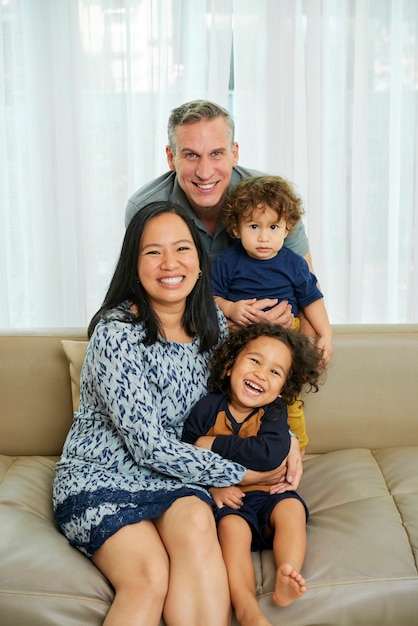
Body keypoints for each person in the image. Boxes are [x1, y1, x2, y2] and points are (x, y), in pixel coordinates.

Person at [52, 201, 295, 626]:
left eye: (182, 249)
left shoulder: (213, 326)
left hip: (176, 479)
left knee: (199, 524)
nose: (170, 263)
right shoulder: (116, 333)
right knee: (149, 576)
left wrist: (287, 440)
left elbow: (248, 393)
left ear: (200, 262)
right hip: (102, 476)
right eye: (153, 252)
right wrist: (242, 474)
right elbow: (148, 447)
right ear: (135, 263)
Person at [125, 98, 312, 332]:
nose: (205, 172)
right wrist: (222, 327)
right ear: (171, 157)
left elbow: (308, 300)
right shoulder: (145, 208)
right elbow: (143, 301)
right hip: (190, 336)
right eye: (191, 155)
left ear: (234, 154)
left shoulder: (271, 202)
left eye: (216, 153)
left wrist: (290, 337)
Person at [182, 323, 324, 626]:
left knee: (292, 509)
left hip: (271, 495)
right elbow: (186, 459)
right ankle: (247, 607)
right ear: (229, 366)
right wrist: (214, 488)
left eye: (275, 372)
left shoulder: (274, 412)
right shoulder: (206, 409)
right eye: (255, 361)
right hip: (232, 502)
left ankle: (288, 572)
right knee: (232, 533)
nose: (261, 373)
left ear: (283, 387)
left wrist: (213, 444)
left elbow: (269, 454)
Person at [211, 175, 332, 448]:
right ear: (236, 228)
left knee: (288, 401)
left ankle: (296, 448)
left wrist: (325, 334)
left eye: (273, 227)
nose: (264, 237)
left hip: (285, 340)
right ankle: (238, 450)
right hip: (240, 341)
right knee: (232, 398)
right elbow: (211, 298)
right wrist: (231, 307)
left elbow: (312, 298)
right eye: (254, 226)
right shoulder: (227, 262)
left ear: (287, 228)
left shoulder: (295, 264)